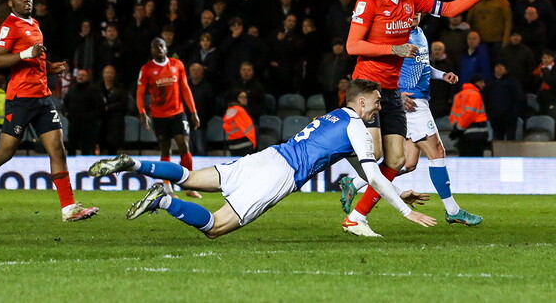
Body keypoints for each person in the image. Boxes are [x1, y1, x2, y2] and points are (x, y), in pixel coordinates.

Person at [88, 79, 434, 239]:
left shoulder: (333, 117)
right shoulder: (358, 125)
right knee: (215, 227)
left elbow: (363, 171)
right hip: (279, 176)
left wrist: (394, 191)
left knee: (191, 179)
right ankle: (164, 201)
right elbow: (372, 174)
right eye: (375, 102)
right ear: (360, 103)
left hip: (266, 157)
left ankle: (134, 164)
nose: (378, 108)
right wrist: (406, 211)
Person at [342, 0, 505, 236]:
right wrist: (394, 48)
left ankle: (357, 216)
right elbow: (353, 46)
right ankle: (337, 167)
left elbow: (448, 9)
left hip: (391, 91)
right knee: (376, 151)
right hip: (367, 86)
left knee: (396, 161)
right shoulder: (368, 2)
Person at [0, 0, 98, 223]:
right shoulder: (8, 27)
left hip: (42, 98)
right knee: (5, 151)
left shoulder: (35, 24)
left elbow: (35, 60)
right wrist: (25, 54)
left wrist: (49, 66)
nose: (27, 0)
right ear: (11, 3)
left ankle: (68, 207)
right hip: (20, 99)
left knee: (58, 149)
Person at [341, 13, 482, 226]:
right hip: (412, 103)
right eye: (410, 13)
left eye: (417, 13)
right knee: (437, 152)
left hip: (418, 100)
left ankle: (356, 182)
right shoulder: (396, 38)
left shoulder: (419, 34)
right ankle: (453, 210)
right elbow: (385, 69)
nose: (413, 16)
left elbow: (422, 67)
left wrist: (442, 75)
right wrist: (397, 94)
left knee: (407, 163)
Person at [136, 37, 202, 198]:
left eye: (161, 46)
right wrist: (142, 112)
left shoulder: (177, 65)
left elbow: (185, 89)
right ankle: (167, 187)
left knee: (184, 147)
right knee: (165, 151)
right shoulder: (147, 69)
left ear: (166, 48)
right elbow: (140, 93)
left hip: (178, 113)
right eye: (154, 47)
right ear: (151, 50)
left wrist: (193, 112)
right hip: (159, 116)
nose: (158, 49)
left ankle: (189, 184)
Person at [64, 68, 104, 155]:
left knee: (87, 148)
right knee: (71, 147)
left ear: (87, 77)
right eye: (79, 75)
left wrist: (91, 117)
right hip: (74, 123)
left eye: (83, 75)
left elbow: (100, 107)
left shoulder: (94, 90)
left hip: (88, 125)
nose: (80, 77)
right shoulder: (71, 89)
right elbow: (65, 103)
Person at [449, 75, 489, 157]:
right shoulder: (474, 94)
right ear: (476, 83)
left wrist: (456, 129)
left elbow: (453, 115)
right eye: (482, 82)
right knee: (476, 162)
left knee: (464, 161)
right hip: (476, 134)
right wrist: (460, 128)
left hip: (463, 135)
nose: (484, 85)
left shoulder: (458, 95)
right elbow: (470, 114)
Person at [485, 62, 525, 140]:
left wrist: (514, 113)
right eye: (497, 66)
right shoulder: (490, 82)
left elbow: (519, 98)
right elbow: (486, 99)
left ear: (506, 69)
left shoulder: (512, 81)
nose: (499, 68)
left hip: (510, 117)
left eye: (501, 66)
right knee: (497, 139)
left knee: (510, 139)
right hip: (495, 117)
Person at [222, 90, 257, 155]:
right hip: (245, 143)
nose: (244, 99)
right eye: (241, 97)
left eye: (245, 97)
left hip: (232, 144)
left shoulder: (230, 110)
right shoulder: (241, 111)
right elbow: (248, 128)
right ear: (236, 98)